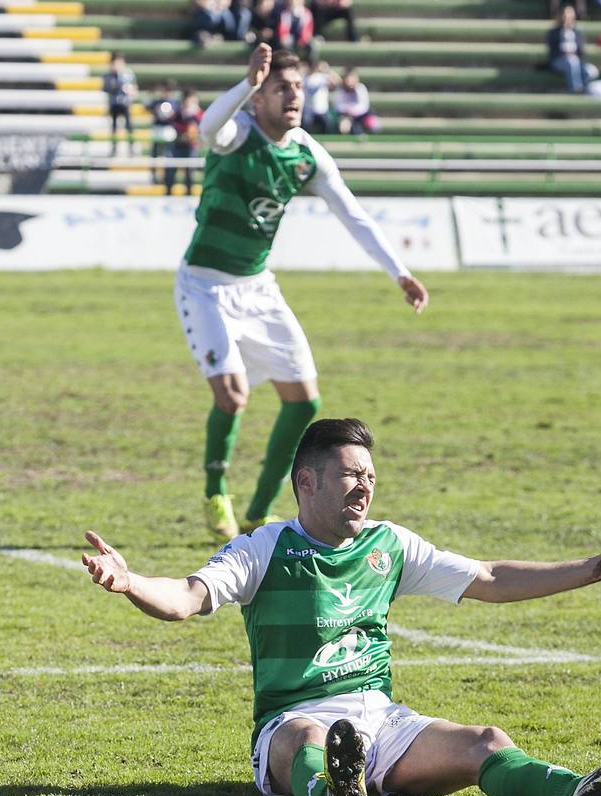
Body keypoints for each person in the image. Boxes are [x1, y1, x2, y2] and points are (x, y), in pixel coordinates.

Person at [81, 418, 601, 796]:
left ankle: (580, 793)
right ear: (307, 481)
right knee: (306, 743)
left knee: (486, 743)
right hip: (295, 719)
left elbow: (490, 579)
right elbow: (186, 597)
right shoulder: (262, 550)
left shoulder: (389, 545)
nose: (365, 484)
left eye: (370, 474)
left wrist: (595, 569)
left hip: (381, 719)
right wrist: (131, 582)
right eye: (350, 474)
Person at [174, 46, 429, 539]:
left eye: (297, 87)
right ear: (257, 98)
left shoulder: (306, 152)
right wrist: (246, 82)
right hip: (204, 286)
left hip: (258, 287)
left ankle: (260, 507)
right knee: (232, 396)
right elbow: (208, 126)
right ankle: (214, 491)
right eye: (280, 88)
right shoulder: (236, 135)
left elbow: (352, 214)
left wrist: (399, 272)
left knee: (304, 400)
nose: (294, 95)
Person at [545, 5, 601, 94]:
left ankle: (584, 90)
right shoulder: (554, 32)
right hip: (559, 61)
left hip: (577, 60)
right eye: (565, 14)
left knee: (591, 71)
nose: (567, 17)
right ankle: (576, 91)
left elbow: (582, 50)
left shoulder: (577, 32)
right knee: (572, 62)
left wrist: (574, 53)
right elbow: (552, 51)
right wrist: (565, 53)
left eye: (570, 14)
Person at [165, 90, 203, 195]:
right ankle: (168, 193)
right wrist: (182, 134)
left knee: (189, 172)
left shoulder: (199, 114)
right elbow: (173, 125)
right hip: (178, 145)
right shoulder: (178, 113)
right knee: (171, 171)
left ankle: (189, 194)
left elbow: (202, 128)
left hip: (191, 146)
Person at [102, 54, 137, 156]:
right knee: (114, 127)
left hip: (125, 103)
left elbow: (133, 88)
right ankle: (114, 148)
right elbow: (106, 88)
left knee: (129, 126)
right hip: (114, 104)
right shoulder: (108, 76)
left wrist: (130, 91)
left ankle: (131, 148)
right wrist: (117, 86)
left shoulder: (128, 74)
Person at [333, 67, 379, 134]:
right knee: (344, 125)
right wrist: (347, 109)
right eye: (348, 79)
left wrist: (353, 110)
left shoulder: (360, 88)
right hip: (345, 115)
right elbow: (337, 106)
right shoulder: (340, 90)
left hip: (360, 115)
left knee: (372, 121)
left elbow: (364, 106)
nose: (350, 81)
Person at [302, 59, 337, 133]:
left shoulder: (322, 77)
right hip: (308, 109)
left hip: (322, 109)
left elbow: (337, 82)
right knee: (305, 125)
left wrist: (327, 70)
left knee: (329, 125)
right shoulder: (303, 77)